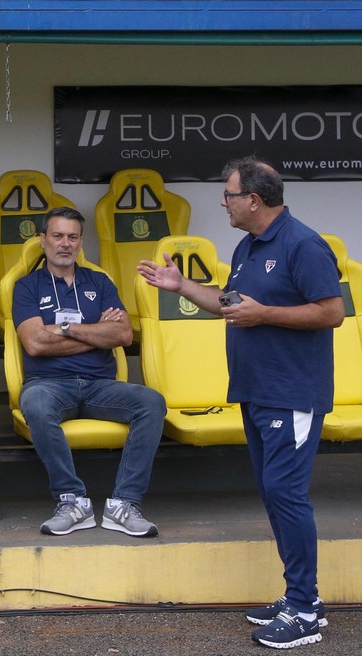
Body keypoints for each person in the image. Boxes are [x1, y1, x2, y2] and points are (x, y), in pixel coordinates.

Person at [138, 157, 344, 649]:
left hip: (291, 392)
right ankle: (299, 596)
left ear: (253, 199)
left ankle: (304, 610)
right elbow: (232, 304)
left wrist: (265, 314)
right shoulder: (248, 245)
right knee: (274, 494)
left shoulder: (303, 244)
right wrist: (182, 286)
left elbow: (332, 312)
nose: (222, 202)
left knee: (286, 494)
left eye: (228, 195)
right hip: (256, 390)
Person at [12, 207, 166, 538]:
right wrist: (96, 332)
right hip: (49, 385)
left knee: (151, 402)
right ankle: (72, 503)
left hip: (101, 385)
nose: (65, 244)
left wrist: (64, 328)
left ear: (81, 242)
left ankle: (124, 504)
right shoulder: (26, 286)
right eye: (57, 236)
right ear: (43, 240)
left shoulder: (100, 282)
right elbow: (35, 343)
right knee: (35, 403)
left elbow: (123, 335)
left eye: (72, 237)